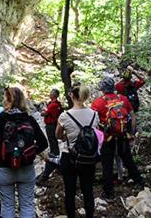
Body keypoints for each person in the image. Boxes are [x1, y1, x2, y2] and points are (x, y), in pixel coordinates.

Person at [0, 86, 48, 218]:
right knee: (27, 205)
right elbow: (43, 143)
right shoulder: (29, 119)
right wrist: (29, 153)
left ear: (7, 99)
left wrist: (3, 154)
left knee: (7, 205)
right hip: (27, 168)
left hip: (4, 168)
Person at [91, 77, 144, 198]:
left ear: (103, 89)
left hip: (107, 138)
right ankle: (139, 183)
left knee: (107, 165)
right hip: (123, 135)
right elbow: (132, 115)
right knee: (128, 160)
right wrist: (131, 132)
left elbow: (93, 122)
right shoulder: (123, 99)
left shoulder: (98, 103)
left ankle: (109, 192)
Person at [56, 84, 99, 218]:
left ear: (72, 96)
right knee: (88, 190)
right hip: (89, 157)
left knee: (70, 191)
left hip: (70, 156)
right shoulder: (94, 114)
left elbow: (58, 135)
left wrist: (66, 136)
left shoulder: (65, 116)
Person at [43, 88, 63, 157]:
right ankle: (54, 152)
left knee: (52, 139)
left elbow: (45, 113)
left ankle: (54, 153)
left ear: (54, 95)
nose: (49, 94)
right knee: (52, 139)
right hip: (54, 124)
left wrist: (43, 112)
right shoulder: (56, 104)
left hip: (51, 124)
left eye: (51, 93)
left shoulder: (53, 105)